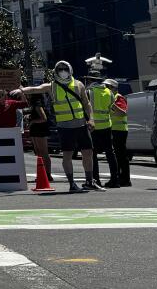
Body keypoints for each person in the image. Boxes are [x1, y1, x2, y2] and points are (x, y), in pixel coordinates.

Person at [12, 61, 99, 193]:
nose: (63, 71)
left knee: (88, 153)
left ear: (70, 70)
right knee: (67, 155)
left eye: (65, 69)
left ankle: (89, 181)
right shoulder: (52, 86)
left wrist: (91, 119)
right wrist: (21, 90)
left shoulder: (78, 84)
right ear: (55, 71)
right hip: (65, 127)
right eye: (60, 69)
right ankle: (72, 183)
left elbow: (87, 104)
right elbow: (36, 89)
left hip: (81, 124)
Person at [88, 77, 119, 188]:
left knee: (93, 154)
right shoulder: (109, 92)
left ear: (90, 81)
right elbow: (112, 107)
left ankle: (96, 180)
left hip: (94, 127)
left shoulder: (89, 92)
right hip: (107, 125)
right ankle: (115, 180)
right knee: (110, 153)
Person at [107, 79, 131, 187]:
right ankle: (118, 178)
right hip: (114, 130)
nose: (106, 89)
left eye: (108, 86)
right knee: (117, 156)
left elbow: (122, 113)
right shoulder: (110, 97)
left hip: (120, 130)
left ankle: (125, 179)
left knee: (121, 156)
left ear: (114, 88)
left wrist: (111, 105)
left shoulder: (118, 97)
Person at [25, 93, 53, 182]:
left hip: (40, 129)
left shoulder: (37, 104)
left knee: (43, 152)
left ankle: (48, 174)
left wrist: (32, 122)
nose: (27, 95)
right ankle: (42, 173)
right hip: (35, 129)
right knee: (38, 152)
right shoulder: (34, 104)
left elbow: (44, 118)